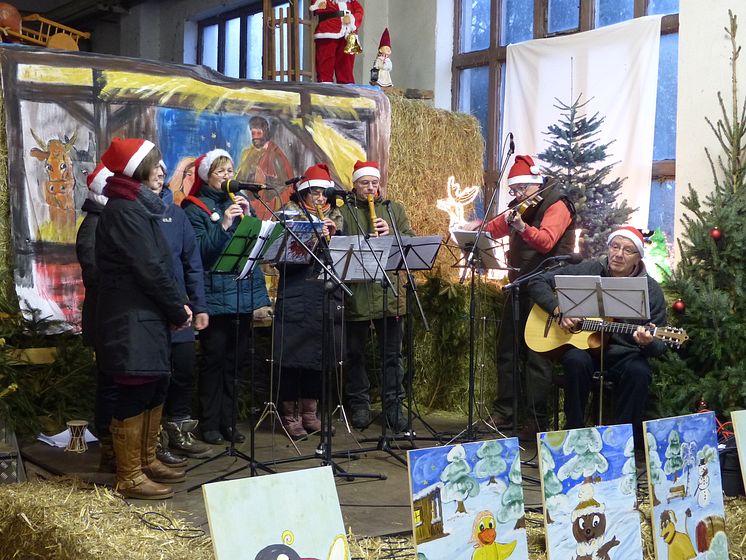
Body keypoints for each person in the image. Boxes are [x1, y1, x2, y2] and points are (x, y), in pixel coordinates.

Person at [95, 137, 192, 500]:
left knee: (152, 386)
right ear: (140, 169)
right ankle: (130, 475)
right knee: (135, 390)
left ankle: (146, 460)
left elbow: (159, 264)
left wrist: (174, 304)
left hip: (146, 316)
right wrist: (175, 307)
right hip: (132, 318)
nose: (161, 169)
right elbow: (149, 267)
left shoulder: (136, 207)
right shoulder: (124, 210)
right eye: (156, 163)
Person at [528, 226, 668, 434]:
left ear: (638, 257)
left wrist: (647, 342)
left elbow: (660, 344)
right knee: (575, 361)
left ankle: (621, 438)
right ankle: (574, 433)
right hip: (586, 351)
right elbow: (536, 281)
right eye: (615, 246)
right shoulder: (590, 269)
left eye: (628, 250)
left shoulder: (651, 289)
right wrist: (558, 309)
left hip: (625, 355)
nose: (619, 254)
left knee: (639, 372)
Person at [479, 155, 576, 438]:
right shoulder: (521, 206)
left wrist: (522, 227)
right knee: (507, 349)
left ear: (536, 184)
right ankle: (506, 412)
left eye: (522, 189)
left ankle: (536, 419)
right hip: (519, 283)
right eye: (515, 191)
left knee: (538, 354)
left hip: (547, 287)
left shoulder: (557, 204)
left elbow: (546, 242)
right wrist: (477, 228)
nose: (518, 196)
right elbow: (495, 227)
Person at [182, 148, 271, 445]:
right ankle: (208, 423)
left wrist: (250, 220)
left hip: (241, 295)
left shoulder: (242, 203)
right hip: (215, 297)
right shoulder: (194, 208)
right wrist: (223, 225)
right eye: (221, 172)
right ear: (207, 176)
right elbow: (199, 253)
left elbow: (257, 245)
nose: (227, 177)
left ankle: (228, 421)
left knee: (235, 365)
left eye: (230, 171)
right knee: (214, 362)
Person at [140, 160, 213, 461]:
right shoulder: (134, 212)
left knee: (183, 370)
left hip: (181, 311)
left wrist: (200, 306)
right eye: (153, 168)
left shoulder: (177, 213)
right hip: (150, 311)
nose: (160, 173)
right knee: (155, 377)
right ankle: (152, 441)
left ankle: (179, 428)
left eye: (162, 169)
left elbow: (192, 264)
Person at [339, 160, 414, 433]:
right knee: (355, 354)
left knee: (392, 356)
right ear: (354, 185)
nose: (370, 188)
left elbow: (410, 239)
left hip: (389, 293)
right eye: (364, 183)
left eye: (374, 182)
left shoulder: (394, 210)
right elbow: (336, 244)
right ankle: (359, 405)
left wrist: (391, 233)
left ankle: (393, 406)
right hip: (357, 293)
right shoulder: (344, 211)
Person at [273, 163, 344, 439]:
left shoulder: (337, 218)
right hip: (295, 292)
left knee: (318, 356)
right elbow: (280, 259)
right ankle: (289, 416)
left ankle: (310, 414)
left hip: (324, 295)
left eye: (324, 193)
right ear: (303, 193)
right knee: (292, 357)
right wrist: (313, 240)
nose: (321, 198)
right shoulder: (288, 217)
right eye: (315, 192)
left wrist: (333, 237)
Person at [76, 162, 116, 473]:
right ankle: (109, 445)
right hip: (105, 317)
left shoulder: (110, 221)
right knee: (109, 383)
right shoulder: (93, 225)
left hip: (115, 316)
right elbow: (94, 275)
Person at [234, 116, 294, 219]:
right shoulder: (247, 153)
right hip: (251, 202)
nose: (255, 137)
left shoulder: (276, 155)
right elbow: (239, 177)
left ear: (265, 133)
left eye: (259, 133)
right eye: (253, 133)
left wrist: (265, 182)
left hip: (268, 205)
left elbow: (285, 185)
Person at [309, 0, 364, 84]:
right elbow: (317, 7)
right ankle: (325, 84)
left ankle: (346, 85)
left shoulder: (352, 2)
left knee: (346, 63)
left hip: (348, 32)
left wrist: (352, 18)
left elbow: (359, 12)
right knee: (325, 60)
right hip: (328, 30)